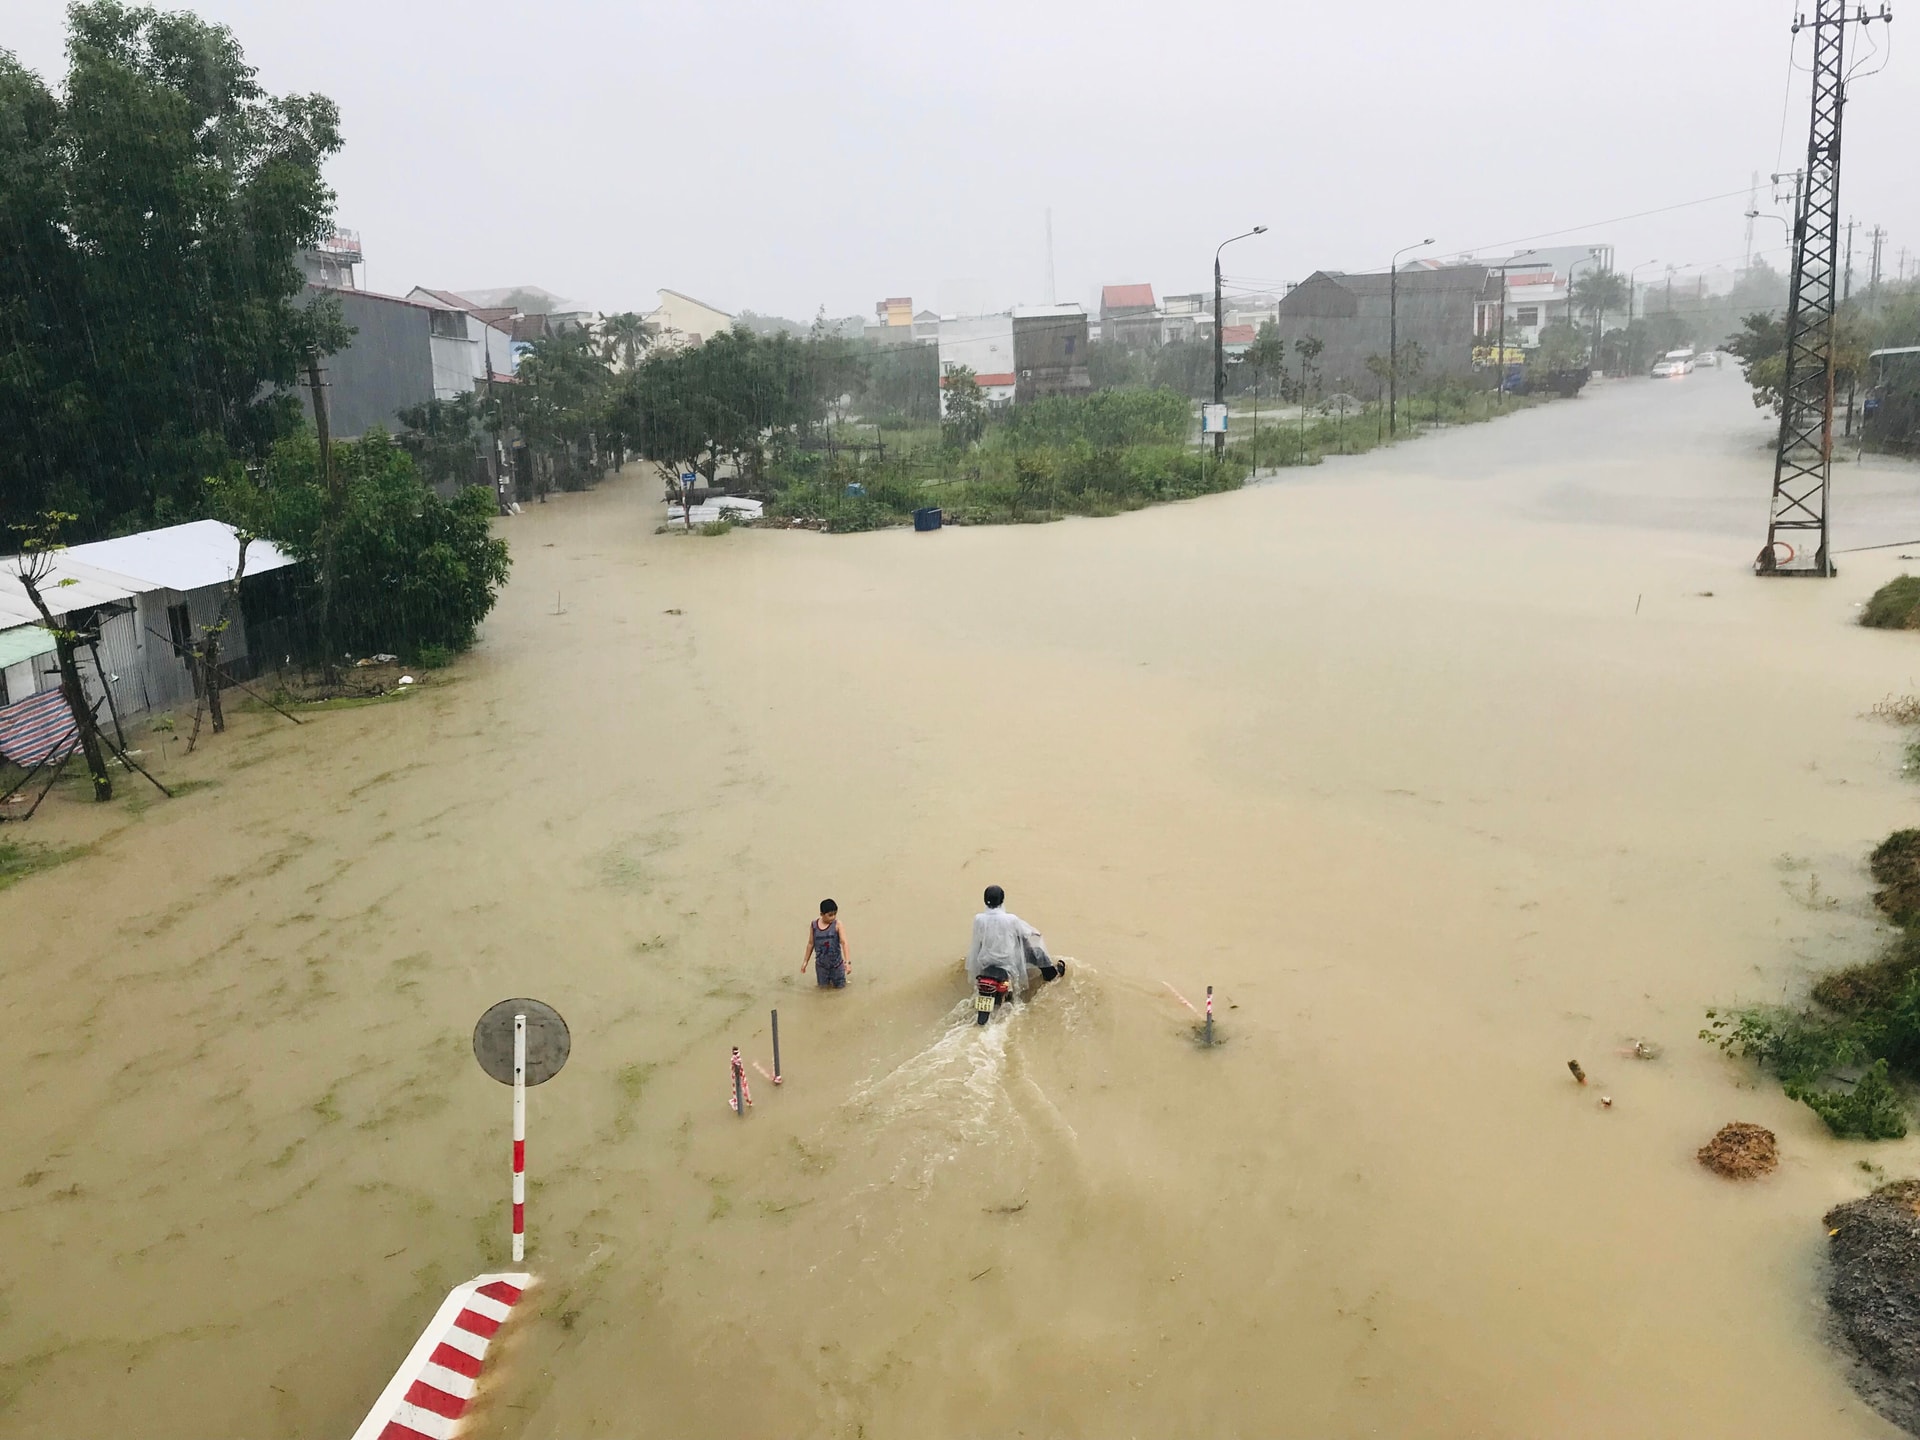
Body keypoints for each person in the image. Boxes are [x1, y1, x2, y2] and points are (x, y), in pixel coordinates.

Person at [965, 885, 1064, 995]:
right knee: (1038, 954)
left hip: (986, 961)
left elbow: (978, 939)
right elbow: (1024, 932)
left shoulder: (978, 919)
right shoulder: (1011, 919)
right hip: (1008, 961)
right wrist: (1033, 932)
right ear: (1002, 900)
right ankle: (1053, 976)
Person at [801, 899, 850, 988]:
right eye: (830, 915)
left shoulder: (837, 924)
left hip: (837, 965)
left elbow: (844, 942)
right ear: (822, 914)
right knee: (823, 990)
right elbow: (810, 944)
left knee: (840, 989)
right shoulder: (814, 925)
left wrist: (847, 962)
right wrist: (805, 962)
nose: (833, 917)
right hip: (821, 966)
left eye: (835, 914)